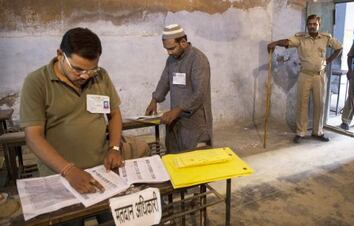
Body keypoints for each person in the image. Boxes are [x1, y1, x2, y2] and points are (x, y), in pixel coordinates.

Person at [20, 27, 124, 195]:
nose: (85, 76)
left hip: (101, 170)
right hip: (59, 175)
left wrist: (114, 148)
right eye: (78, 69)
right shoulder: (37, 82)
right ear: (60, 55)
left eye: (91, 69)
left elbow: (114, 114)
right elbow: (33, 137)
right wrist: (68, 170)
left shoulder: (100, 76)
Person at [268, 14, 342, 143]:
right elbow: (287, 42)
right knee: (302, 103)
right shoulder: (301, 38)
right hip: (305, 75)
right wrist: (274, 43)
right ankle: (300, 132)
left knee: (320, 104)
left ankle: (317, 132)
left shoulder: (326, 38)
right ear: (307, 25)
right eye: (310, 24)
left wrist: (328, 60)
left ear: (319, 25)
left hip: (319, 76)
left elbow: (339, 48)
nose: (312, 26)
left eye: (315, 24)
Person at [145, 24, 212, 153]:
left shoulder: (198, 60)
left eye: (172, 48)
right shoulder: (171, 59)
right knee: (174, 156)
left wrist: (179, 109)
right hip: (176, 119)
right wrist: (155, 100)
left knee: (194, 158)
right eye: (166, 49)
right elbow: (165, 80)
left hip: (195, 121)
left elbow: (200, 93)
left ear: (183, 42)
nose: (169, 52)